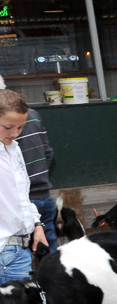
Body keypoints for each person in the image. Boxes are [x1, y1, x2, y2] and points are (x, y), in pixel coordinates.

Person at [0, 89, 62, 304]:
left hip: (18, 247)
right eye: (8, 127)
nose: (15, 134)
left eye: (19, 128)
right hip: (3, 251)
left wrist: (37, 224)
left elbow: (22, 194)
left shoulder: (13, 149)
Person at [15, 107, 57, 252]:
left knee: (22, 250)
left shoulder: (6, 124)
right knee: (48, 248)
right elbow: (48, 153)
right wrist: (39, 175)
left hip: (24, 202)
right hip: (44, 196)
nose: (14, 131)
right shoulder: (32, 113)